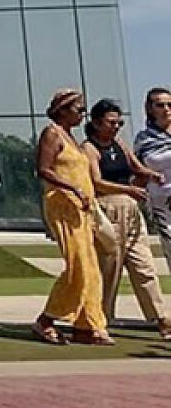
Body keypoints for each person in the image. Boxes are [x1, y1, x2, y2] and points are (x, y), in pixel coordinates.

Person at [82, 98, 170, 338]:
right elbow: (96, 182)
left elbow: (135, 165)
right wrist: (128, 190)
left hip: (131, 210)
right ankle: (99, 318)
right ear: (98, 123)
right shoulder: (89, 148)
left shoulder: (119, 143)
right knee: (108, 268)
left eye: (119, 122)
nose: (116, 127)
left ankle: (161, 317)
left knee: (144, 265)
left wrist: (151, 174)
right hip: (107, 209)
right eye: (111, 122)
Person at [32, 89, 113, 346]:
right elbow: (44, 169)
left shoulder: (73, 138)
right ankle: (46, 319)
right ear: (63, 110)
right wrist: (73, 188)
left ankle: (86, 324)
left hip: (82, 211)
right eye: (78, 109)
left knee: (90, 267)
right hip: (63, 207)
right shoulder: (52, 134)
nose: (82, 114)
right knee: (77, 267)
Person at [134, 88, 171, 274]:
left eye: (169, 104)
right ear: (150, 109)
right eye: (160, 105)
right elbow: (137, 169)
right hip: (162, 204)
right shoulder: (144, 139)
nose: (166, 109)